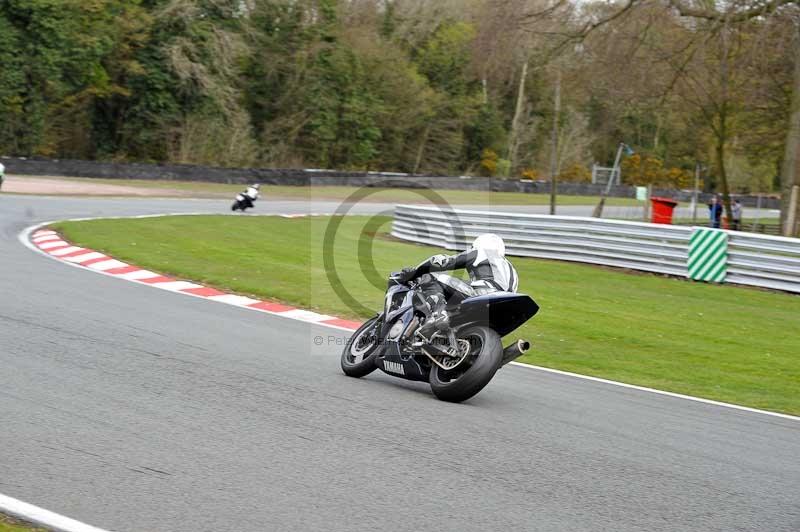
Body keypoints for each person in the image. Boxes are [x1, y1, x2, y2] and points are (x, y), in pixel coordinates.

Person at [397, 233, 519, 338]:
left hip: (485, 294)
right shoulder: (512, 270)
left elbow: (441, 262)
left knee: (433, 277)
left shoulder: (480, 252)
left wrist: (415, 272)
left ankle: (438, 314)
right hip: (504, 309)